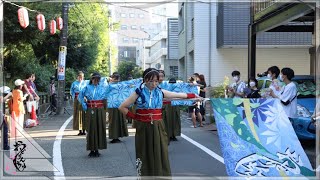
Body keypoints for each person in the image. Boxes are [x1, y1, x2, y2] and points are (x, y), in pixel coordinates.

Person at [119, 68, 201, 177]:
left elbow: (176, 95)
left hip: (158, 125)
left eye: (156, 81)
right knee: (144, 152)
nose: (153, 84)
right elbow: (122, 107)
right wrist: (136, 117)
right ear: (145, 80)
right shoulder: (138, 92)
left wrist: (193, 96)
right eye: (151, 81)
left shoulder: (160, 91)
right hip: (143, 127)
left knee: (160, 151)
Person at [78, 72, 107, 157]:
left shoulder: (102, 88)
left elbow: (106, 99)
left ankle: (97, 149)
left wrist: (106, 110)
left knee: (99, 128)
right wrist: (84, 104)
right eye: (94, 78)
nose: (96, 80)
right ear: (92, 79)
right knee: (90, 128)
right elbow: (80, 96)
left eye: (98, 79)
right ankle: (91, 149)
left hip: (100, 110)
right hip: (91, 109)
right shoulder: (87, 87)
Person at [107, 72, 128, 143]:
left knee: (120, 120)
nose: (116, 80)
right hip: (112, 105)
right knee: (113, 121)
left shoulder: (121, 85)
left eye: (117, 78)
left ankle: (118, 136)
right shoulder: (109, 86)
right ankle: (113, 137)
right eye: (114, 78)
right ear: (112, 78)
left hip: (120, 105)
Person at [70, 71, 87, 135]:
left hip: (83, 99)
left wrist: (85, 96)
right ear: (77, 77)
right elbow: (71, 91)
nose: (80, 78)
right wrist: (74, 96)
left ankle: (84, 130)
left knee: (84, 114)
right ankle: (79, 130)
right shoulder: (74, 83)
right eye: (79, 77)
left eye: (82, 77)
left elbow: (87, 91)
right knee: (78, 114)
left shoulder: (85, 83)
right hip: (77, 99)